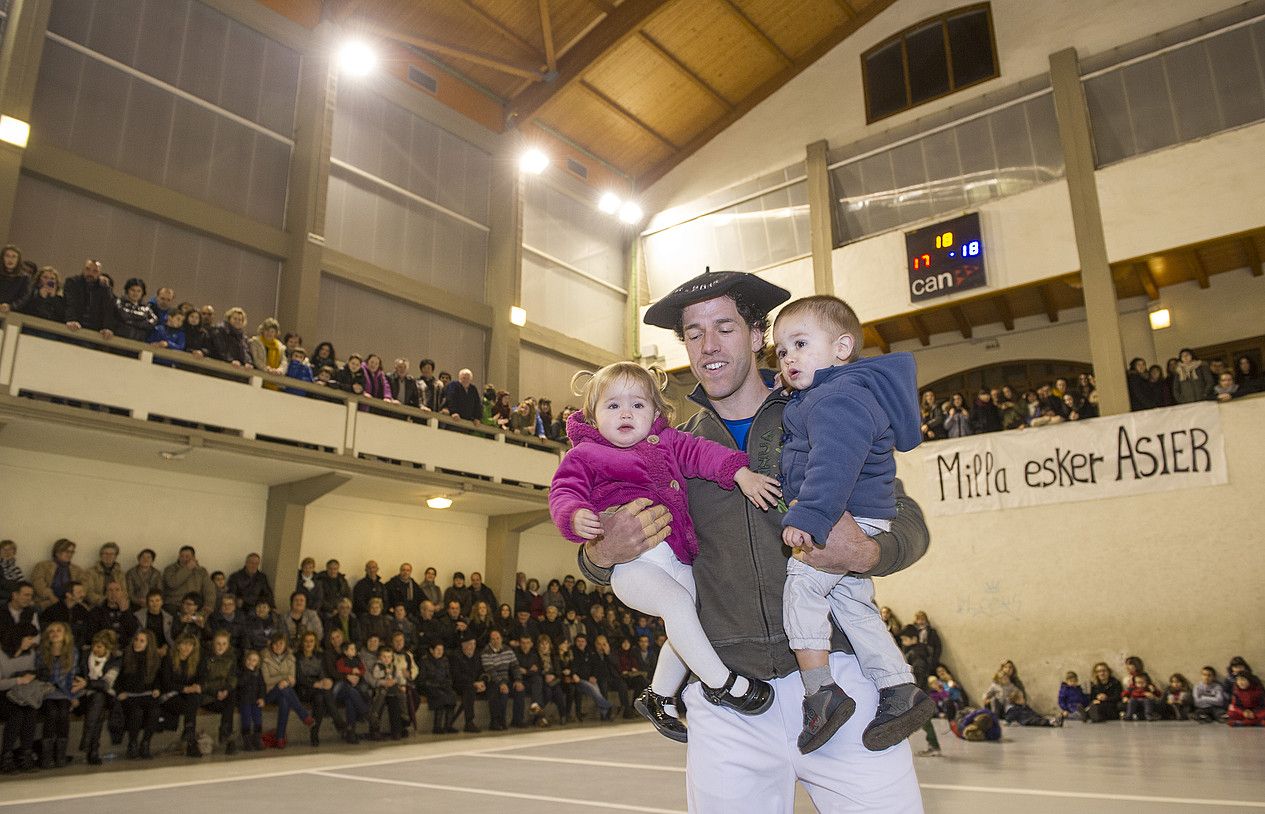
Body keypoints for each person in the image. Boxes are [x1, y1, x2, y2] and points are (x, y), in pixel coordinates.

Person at [582, 270, 927, 810]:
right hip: (730, 701)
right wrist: (602, 553)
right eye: (693, 333)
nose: (708, 345)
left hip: (837, 676)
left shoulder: (821, 412)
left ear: (758, 335)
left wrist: (872, 551)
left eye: (724, 326)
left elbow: (906, 518)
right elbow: (611, 550)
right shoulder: (667, 447)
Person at [549, 360, 782, 742]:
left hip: (675, 558)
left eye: (638, 405)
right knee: (676, 605)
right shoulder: (584, 456)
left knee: (691, 615)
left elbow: (705, 455)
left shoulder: (670, 442)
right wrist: (574, 518)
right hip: (634, 567)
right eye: (613, 406)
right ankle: (721, 682)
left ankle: (659, 696)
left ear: (656, 412)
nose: (626, 413)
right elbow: (564, 491)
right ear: (592, 417)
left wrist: (739, 473)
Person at [772, 295, 932, 753]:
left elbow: (833, 465)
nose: (789, 359)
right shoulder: (825, 396)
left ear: (842, 348)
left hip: (844, 513)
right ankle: (898, 686)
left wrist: (808, 516)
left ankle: (820, 692)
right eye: (782, 351)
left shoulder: (837, 399)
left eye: (801, 343)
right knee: (852, 604)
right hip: (861, 512)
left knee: (802, 588)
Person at [260, 633, 314, 749]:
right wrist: (283, 679)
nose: (278, 646)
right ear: (271, 646)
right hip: (270, 693)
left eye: (281, 644)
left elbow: (293, 680)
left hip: (284, 692)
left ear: (285, 645)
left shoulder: (291, 658)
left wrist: (285, 682)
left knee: (285, 700)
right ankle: (303, 715)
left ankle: (280, 738)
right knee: (284, 687)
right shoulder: (265, 658)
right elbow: (267, 680)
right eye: (275, 644)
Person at [78, 629, 120, 765]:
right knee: (98, 709)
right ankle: (93, 749)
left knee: (99, 698)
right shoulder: (84, 656)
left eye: (99, 646)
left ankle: (87, 741)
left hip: (105, 696)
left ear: (107, 648)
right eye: (94, 645)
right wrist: (87, 685)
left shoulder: (114, 661)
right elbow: (78, 676)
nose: (95, 649)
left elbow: (106, 683)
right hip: (83, 695)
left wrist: (88, 683)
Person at [30, 538, 87, 610]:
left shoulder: (77, 570)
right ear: (57, 552)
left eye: (72, 552)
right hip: (47, 601)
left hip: (71, 601)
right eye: (67, 551)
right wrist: (51, 597)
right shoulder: (42, 566)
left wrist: (72, 598)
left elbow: (84, 586)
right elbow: (38, 585)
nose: (70, 554)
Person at [62, 259, 115, 338]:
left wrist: (107, 327)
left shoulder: (104, 289)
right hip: (72, 326)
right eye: (88, 269)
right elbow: (70, 302)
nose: (90, 273)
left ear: (100, 274)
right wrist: (71, 319)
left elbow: (108, 309)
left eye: (95, 271)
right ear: (83, 269)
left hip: (94, 331)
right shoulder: (73, 282)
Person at [162, 546, 214, 616]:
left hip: (195, 606)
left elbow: (209, 590)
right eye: (181, 556)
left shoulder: (201, 571)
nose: (184, 559)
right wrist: (187, 569)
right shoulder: (170, 569)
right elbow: (172, 583)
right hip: (175, 604)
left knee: (202, 619)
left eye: (187, 556)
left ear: (193, 557)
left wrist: (209, 605)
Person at [420, 640, 458, 734]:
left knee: (452, 695)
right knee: (440, 696)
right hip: (430, 686)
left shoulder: (445, 660)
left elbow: (448, 676)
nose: (440, 652)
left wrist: (447, 684)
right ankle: (437, 726)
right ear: (431, 650)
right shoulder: (424, 661)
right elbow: (422, 679)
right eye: (438, 649)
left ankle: (448, 725)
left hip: (443, 686)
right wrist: (436, 684)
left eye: (442, 649)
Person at [83, 542, 124, 609]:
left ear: (116, 556)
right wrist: (106, 601)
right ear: (100, 555)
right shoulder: (90, 572)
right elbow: (88, 592)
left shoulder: (120, 573)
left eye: (112, 554)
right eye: (105, 554)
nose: (108, 556)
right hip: (96, 607)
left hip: (117, 606)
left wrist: (118, 602)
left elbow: (124, 592)